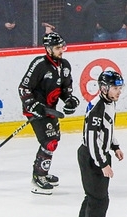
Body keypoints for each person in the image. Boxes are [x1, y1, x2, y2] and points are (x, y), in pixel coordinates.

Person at [17, 32, 80, 195]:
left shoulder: (65, 65)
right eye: (58, 48)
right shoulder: (39, 64)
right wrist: (33, 105)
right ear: (48, 49)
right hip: (36, 110)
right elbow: (23, 88)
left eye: (62, 47)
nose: (61, 50)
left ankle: (42, 172)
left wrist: (70, 101)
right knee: (49, 142)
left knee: (54, 141)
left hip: (50, 109)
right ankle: (39, 176)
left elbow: (66, 89)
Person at [73, 70, 124, 217]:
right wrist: (102, 163)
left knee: (92, 197)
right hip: (92, 156)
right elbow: (92, 138)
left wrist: (115, 146)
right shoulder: (98, 108)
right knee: (100, 199)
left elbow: (107, 129)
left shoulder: (109, 104)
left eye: (120, 88)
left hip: (97, 154)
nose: (118, 92)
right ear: (104, 88)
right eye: (115, 88)